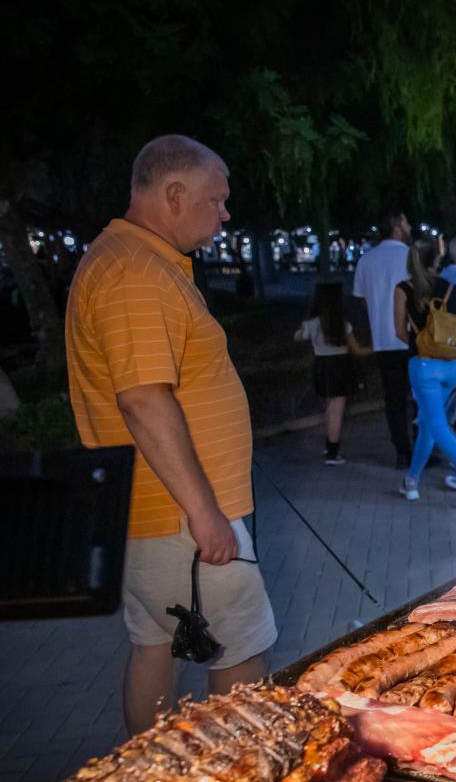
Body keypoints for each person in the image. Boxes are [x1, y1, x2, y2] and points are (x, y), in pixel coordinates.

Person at [64, 134, 276, 734]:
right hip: (181, 519)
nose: (226, 214)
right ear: (175, 194)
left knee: (156, 644)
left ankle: (153, 779)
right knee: (241, 652)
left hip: (154, 515)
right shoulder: (134, 272)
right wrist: (204, 511)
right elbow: (142, 399)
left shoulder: (131, 259)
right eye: (217, 199)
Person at [393, 235, 456, 509]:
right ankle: (411, 481)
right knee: (428, 424)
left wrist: (422, 346)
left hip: (423, 366)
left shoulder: (404, 289)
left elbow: (400, 331)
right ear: (436, 260)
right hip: (450, 366)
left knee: (437, 425)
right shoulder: (452, 289)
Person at [352, 209, 414, 466]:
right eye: (407, 221)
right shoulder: (410, 257)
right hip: (412, 337)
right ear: (398, 225)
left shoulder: (367, 260)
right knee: (420, 396)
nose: (409, 226)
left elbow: (364, 300)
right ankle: (423, 448)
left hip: (383, 339)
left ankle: (401, 450)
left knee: (394, 398)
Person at [295, 280, 371, 464]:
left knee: (329, 408)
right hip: (341, 366)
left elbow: (297, 336)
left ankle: (329, 446)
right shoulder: (343, 325)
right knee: (337, 410)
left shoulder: (312, 324)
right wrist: (378, 349)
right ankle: (332, 452)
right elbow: (358, 350)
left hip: (322, 365)